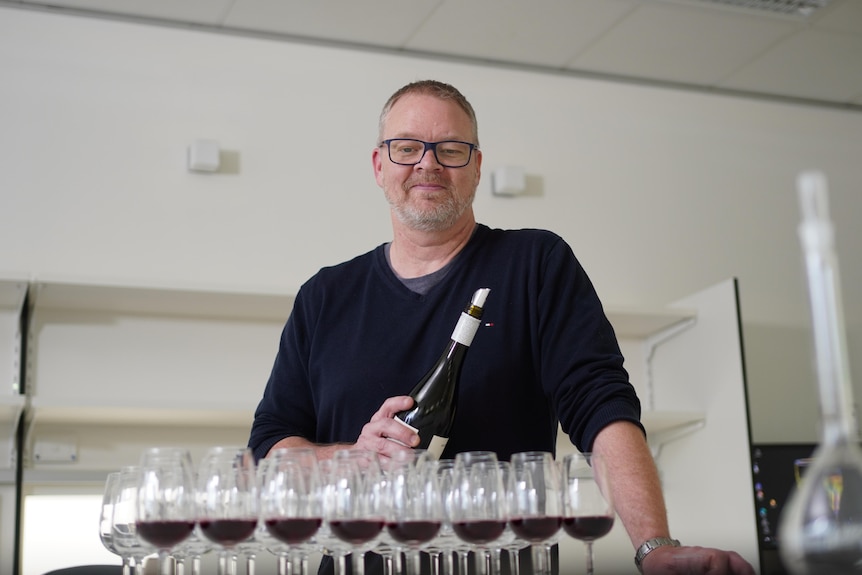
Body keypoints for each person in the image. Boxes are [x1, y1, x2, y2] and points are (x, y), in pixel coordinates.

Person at [248, 79, 755, 575]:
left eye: (450, 149)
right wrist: (349, 457)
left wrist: (654, 547)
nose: (428, 163)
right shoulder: (325, 295)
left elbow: (601, 407)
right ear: (379, 165)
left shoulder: (535, 263)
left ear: (477, 167)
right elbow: (271, 445)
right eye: (407, 148)